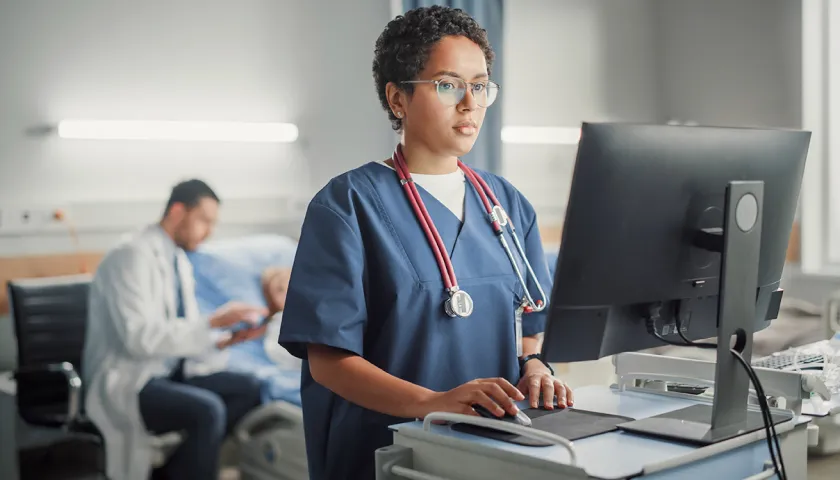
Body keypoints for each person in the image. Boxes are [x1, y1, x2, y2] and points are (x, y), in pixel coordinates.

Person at [277, 6, 573, 479]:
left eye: (479, 86)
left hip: (492, 450)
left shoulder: (508, 205)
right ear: (398, 98)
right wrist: (432, 403)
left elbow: (530, 327)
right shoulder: (347, 205)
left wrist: (535, 368)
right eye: (448, 84)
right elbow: (328, 361)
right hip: (388, 453)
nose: (469, 102)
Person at [82, 179, 269, 480]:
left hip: (168, 371)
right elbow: (138, 339)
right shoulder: (130, 256)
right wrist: (212, 322)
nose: (209, 232)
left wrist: (224, 340)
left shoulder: (178, 260)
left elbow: (181, 331)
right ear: (178, 211)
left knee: (248, 388)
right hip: (130, 380)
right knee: (207, 410)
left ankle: (177, 471)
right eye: (204, 220)